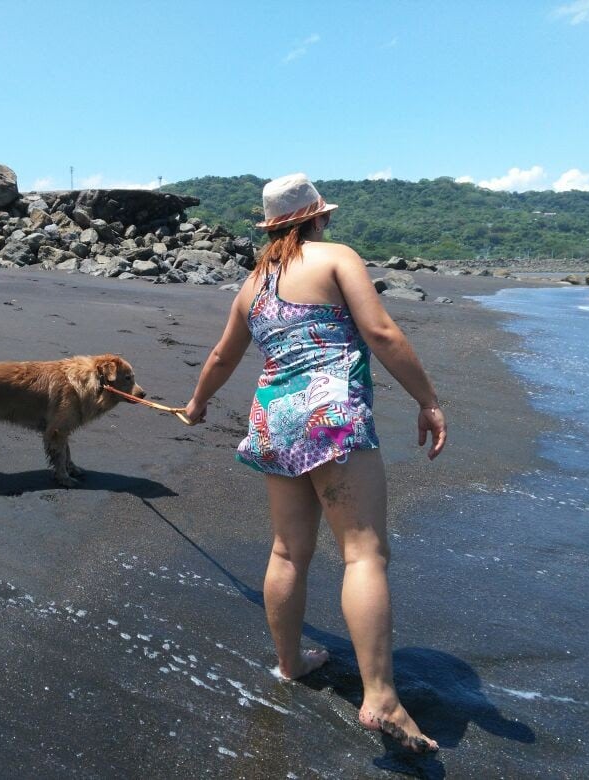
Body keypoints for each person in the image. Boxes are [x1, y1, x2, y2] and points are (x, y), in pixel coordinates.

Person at [184, 173, 446, 753]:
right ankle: (380, 697)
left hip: (274, 417)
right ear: (318, 216)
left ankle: (289, 663)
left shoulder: (252, 283)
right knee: (363, 553)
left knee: (287, 551)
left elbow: (224, 355)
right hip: (331, 416)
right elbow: (379, 330)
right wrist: (428, 400)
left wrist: (198, 403)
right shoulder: (334, 257)